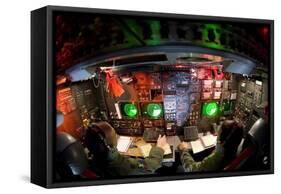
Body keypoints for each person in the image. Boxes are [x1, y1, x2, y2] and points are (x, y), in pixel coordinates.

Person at [84, 121, 167, 177]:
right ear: (111, 145)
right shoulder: (125, 167)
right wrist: (159, 147)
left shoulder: (90, 161)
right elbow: (152, 164)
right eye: (115, 135)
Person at [178, 120, 243, 172]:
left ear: (222, 140)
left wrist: (184, 150)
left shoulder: (214, 160)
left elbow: (191, 169)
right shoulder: (239, 147)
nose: (217, 134)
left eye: (219, 133)